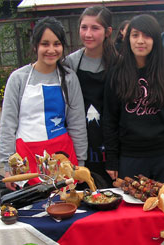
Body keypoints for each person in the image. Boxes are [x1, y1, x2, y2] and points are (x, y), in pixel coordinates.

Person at [0, 17, 87, 190]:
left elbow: (77, 124)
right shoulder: (19, 78)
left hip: (62, 156)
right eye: (45, 44)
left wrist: (80, 162)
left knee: (66, 207)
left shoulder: (69, 78)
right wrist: (8, 167)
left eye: (57, 44)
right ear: (35, 46)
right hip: (26, 157)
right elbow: (8, 125)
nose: (51, 50)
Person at [103, 14, 164, 182]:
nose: (140, 41)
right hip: (129, 157)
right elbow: (109, 119)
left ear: (155, 39)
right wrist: (111, 158)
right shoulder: (116, 73)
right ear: (128, 39)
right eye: (135, 35)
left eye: (146, 35)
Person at [65, 6, 117, 187]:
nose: (88, 33)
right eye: (84, 27)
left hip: (110, 144)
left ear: (108, 32)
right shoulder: (70, 63)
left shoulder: (119, 63)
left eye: (95, 28)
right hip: (80, 142)